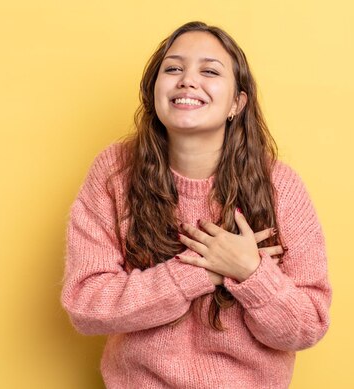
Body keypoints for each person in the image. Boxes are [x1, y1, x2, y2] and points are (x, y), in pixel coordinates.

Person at [61, 21, 332, 389]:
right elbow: (86, 304)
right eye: (173, 68)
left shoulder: (280, 187)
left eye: (209, 71)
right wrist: (202, 272)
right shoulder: (114, 174)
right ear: (153, 91)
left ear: (237, 102)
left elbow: (307, 325)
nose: (187, 80)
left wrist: (250, 272)